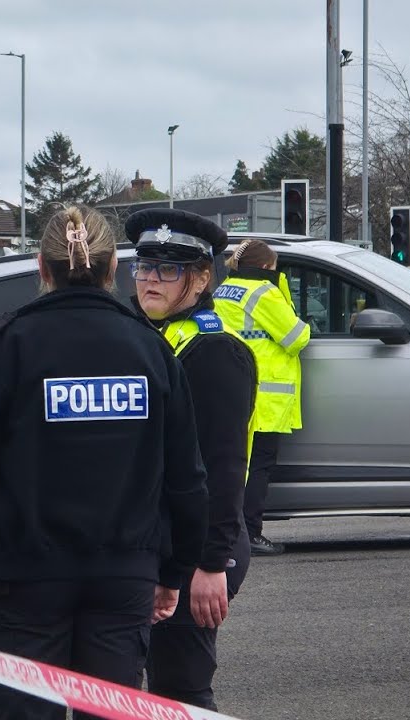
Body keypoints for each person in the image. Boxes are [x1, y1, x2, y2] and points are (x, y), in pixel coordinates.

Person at [0, 204, 209, 720]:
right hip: (122, 572)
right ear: (112, 270)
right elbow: (187, 477)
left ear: (42, 268)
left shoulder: (3, 348)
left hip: (26, 576)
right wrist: (173, 568)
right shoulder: (151, 349)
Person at [125, 208, 258, 711]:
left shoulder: (213, 350)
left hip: (199, 544)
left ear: (202, 278)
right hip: (156, 537)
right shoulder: (150, 336)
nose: (151, 280)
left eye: (169, 269)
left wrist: (211, 563)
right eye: (144, 267)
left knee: (180, 685)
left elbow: (222, 467)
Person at [212, 239, 310, 556]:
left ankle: (231, 533)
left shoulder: (225, 289)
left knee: (235, 465)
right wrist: (279, 287)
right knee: (259, 467)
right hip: (265, 394)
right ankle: (251, 533)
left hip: (235, 388)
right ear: (267, 267)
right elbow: (297, 336)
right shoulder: (265, 293)